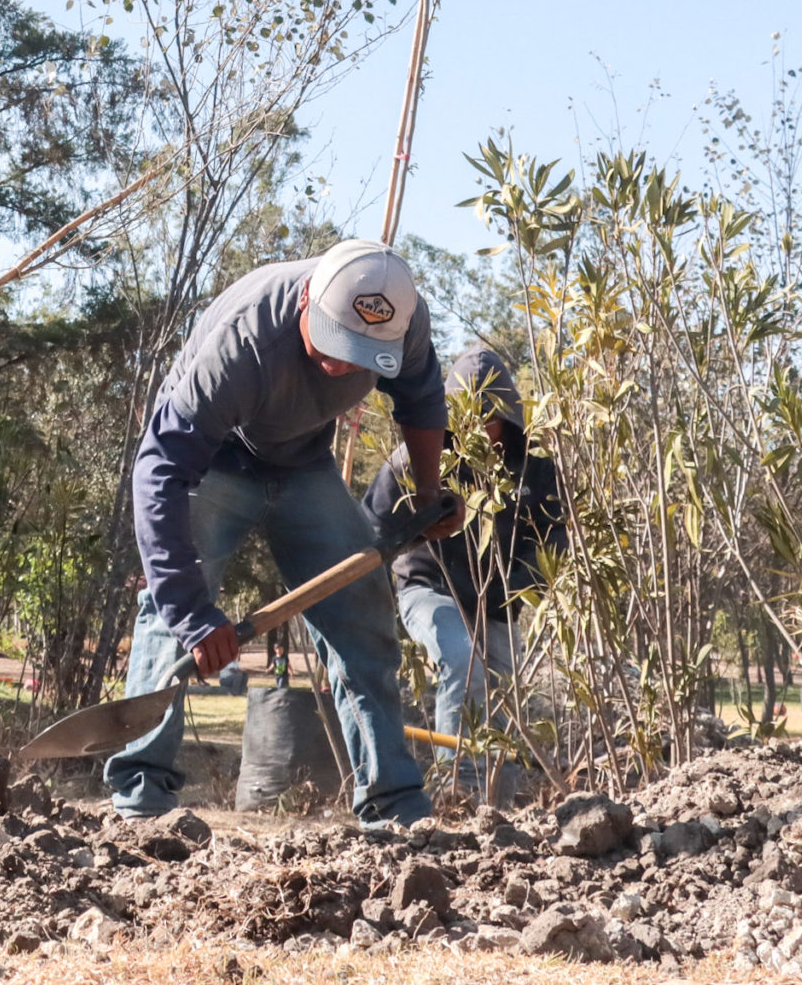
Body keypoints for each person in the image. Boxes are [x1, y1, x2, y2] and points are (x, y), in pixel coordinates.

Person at [107, 238, 457, 831]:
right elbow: (161, 470)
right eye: (334, 342)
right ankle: (141, 802)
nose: (341, 367)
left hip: (302, 465)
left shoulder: (404, 317)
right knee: (171, 615)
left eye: (360, 354)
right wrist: (195, 615)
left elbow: (421, 399)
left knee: (362, 613)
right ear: (305, 302)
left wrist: (427, 496)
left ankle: (394, 806)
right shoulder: (241, 343)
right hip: (214, 460)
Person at [364, 345, 567, 779]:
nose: (483, 430)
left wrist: (516, 585)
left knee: (507, 689)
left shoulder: (533, 469)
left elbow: (555, 537)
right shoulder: (416, 460)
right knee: (461, 660)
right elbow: (371, 530)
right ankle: (460, 789)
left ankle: (501, 800)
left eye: (492, 418)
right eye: (472, 418)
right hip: (429, 588)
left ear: (508, 416)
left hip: (499, 599)